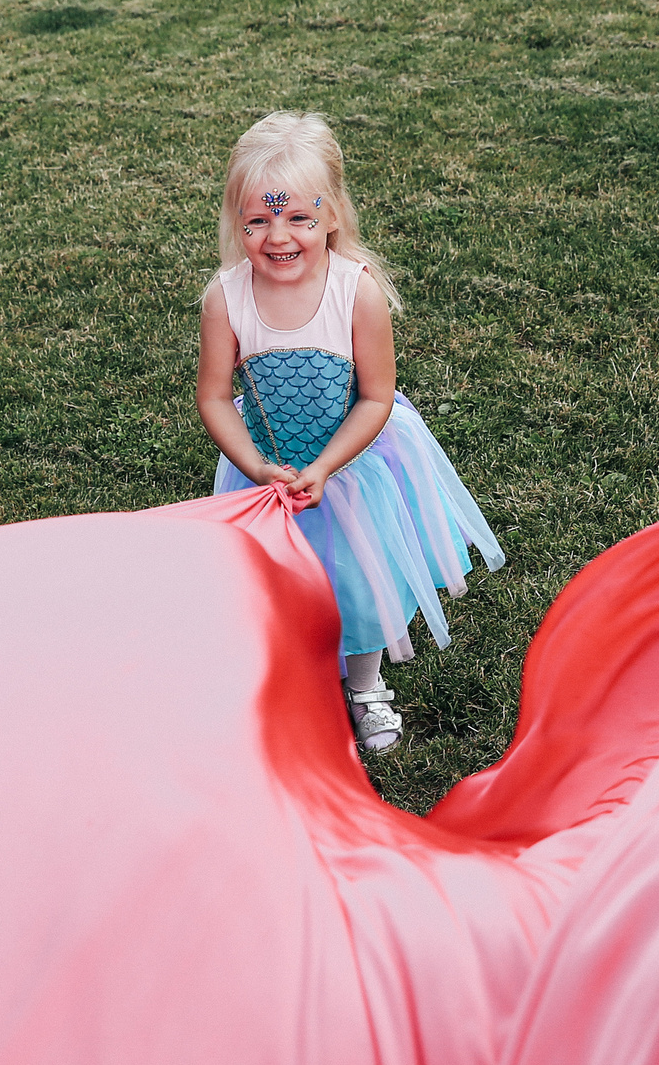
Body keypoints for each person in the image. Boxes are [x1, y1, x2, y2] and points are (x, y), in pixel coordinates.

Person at [194, 111, 502, 752]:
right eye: (257, 221)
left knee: (359, 587)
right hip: (267, 474)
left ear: (332, 215)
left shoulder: (355, 293)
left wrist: (326, 466)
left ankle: (365, 687)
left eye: (298, 218)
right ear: (235, 221)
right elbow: (215, 397)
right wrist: (256, 466)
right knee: (271, 584)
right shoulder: (226, 298)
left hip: (350, 470)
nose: (278, 236)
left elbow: (376, 397)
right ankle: (284, 681)